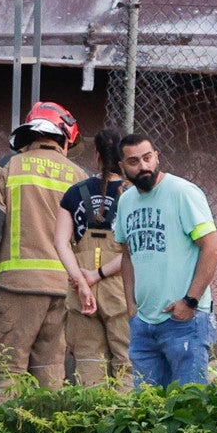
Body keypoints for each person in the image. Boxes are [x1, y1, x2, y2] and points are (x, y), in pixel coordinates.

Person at [0, 101, 87, 399]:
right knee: (50, 372)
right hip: (63, 288)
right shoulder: (79, 176)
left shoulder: (7, 166)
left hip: (18, 287)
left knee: (6, 368)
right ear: (63, 137)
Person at [114, 133, 217, 387]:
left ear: (157, 157)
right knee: (149, 413)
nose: (143, 167)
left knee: (187, 409)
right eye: (134, 161)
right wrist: (131, 308)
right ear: (122, 167)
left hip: (184, 320)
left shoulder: (182, 192)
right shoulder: (126, 201)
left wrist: (190, 301)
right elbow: (127, 255)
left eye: (148, 158)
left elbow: (212, 249)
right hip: (144, 324)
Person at [53, 128, 131, 387]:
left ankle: (93, 423)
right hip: (121, 287)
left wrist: (82, 281)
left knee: (88, 363)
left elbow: (61, 242)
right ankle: (125, 423)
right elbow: (135, 250)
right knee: (127, 362)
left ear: (96, 156)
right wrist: (98, 275)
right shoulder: (132, 194)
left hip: (80, 288)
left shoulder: (75, 193)